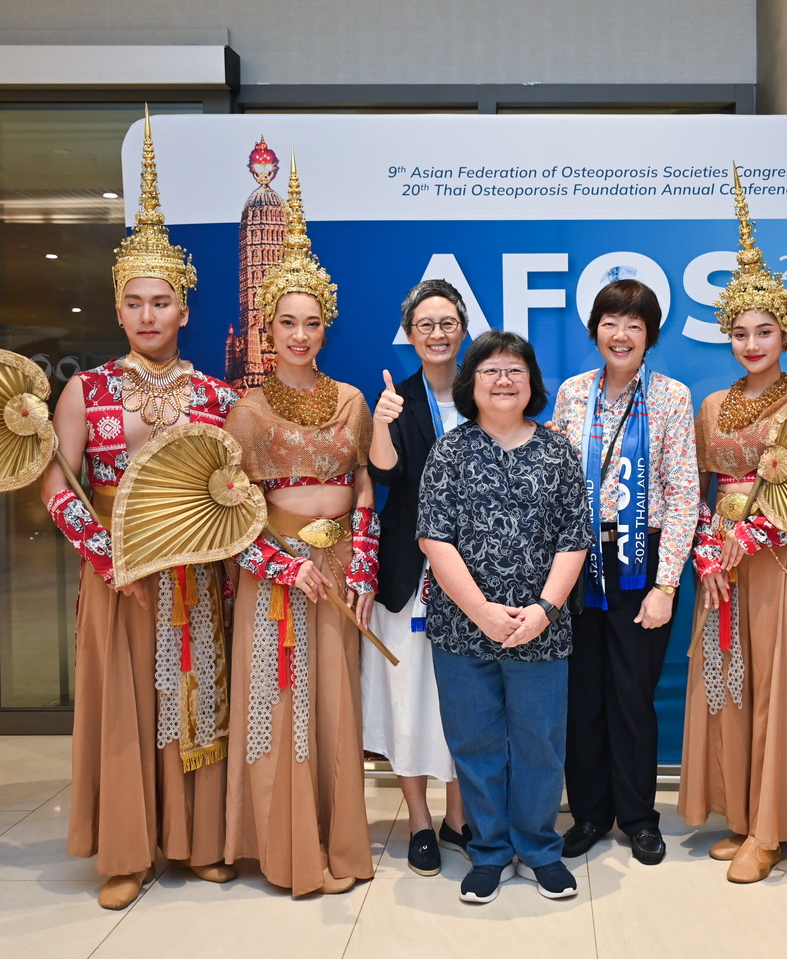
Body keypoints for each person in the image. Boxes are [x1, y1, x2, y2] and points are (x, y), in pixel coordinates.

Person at [41, 111, 239, 910]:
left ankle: (196, 842)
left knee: (195, 698)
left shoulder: (218, 396)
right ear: (118, 310)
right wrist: (108, 558)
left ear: (185, 309)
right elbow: (57, 486)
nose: (150, 314)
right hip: (115, 573)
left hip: (194, 573)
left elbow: (236, 487)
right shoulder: (86, 390)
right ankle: (126, 851)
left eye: (164, 301)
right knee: (124, 706)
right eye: (137, 302)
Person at [677, 170, 787, 884]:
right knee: (731, 680)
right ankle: (744, 813)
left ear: (786, 332)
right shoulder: (712, 405)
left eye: (764, 331)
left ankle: (773, 830)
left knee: (781, 682)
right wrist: (705, 551)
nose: (751, 343)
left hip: (786, 556)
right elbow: (699, 489)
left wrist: (751, 536)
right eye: (740, 333)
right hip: (723, 561)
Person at [221, 158, 379, 896]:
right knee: (280, 700)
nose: (300, 334)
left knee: (335, 707)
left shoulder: (352, 399)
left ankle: (337, 842)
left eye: (312, 322)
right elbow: (228, 512)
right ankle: (288, 852)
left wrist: (365, 565)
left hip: (339, 567)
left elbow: (365, 488)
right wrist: (283, 564)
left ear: (326, 326)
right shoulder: (246, 412)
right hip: (277, 572)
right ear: (268, 325)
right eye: (287, 322)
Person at [416, 331, 591, 904]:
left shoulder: (558, 452)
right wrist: (482, 612)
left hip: (542, 629)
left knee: (541, 743)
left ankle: (539, 850)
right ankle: (489, 850)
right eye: (490, 370)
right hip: (462, 628)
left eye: (515, 369)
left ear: (531, 382)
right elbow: (434, 539)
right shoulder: (449, 452)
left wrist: (544, 610)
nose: (503, 380)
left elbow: (574, 539)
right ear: (471, 383)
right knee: (476, 743)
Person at [550, 279, 699, 866]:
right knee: (583, 694)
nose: (621, 334)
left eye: (634, 325)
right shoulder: (572, 393)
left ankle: (638, 817)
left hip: (644, 559)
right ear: (595, 331)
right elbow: (558, 482)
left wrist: (666, 585)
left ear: (650, 336)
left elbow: (683, 495)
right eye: (610, 322)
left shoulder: (671, 397)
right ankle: (589, 813)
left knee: (633, 695)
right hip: (578, 562)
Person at [365, 279, 471, 875]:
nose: (436, 333)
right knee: (406, 698)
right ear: (409, 335)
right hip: (409, 573)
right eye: (425, 325)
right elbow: (385, 476)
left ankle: (458, 818)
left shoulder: (485, 390)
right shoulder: (396, 399)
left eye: (447, 323)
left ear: (463, 330)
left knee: (463, 699)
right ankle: (419, 822)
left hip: (476, 577)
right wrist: (381, 423)